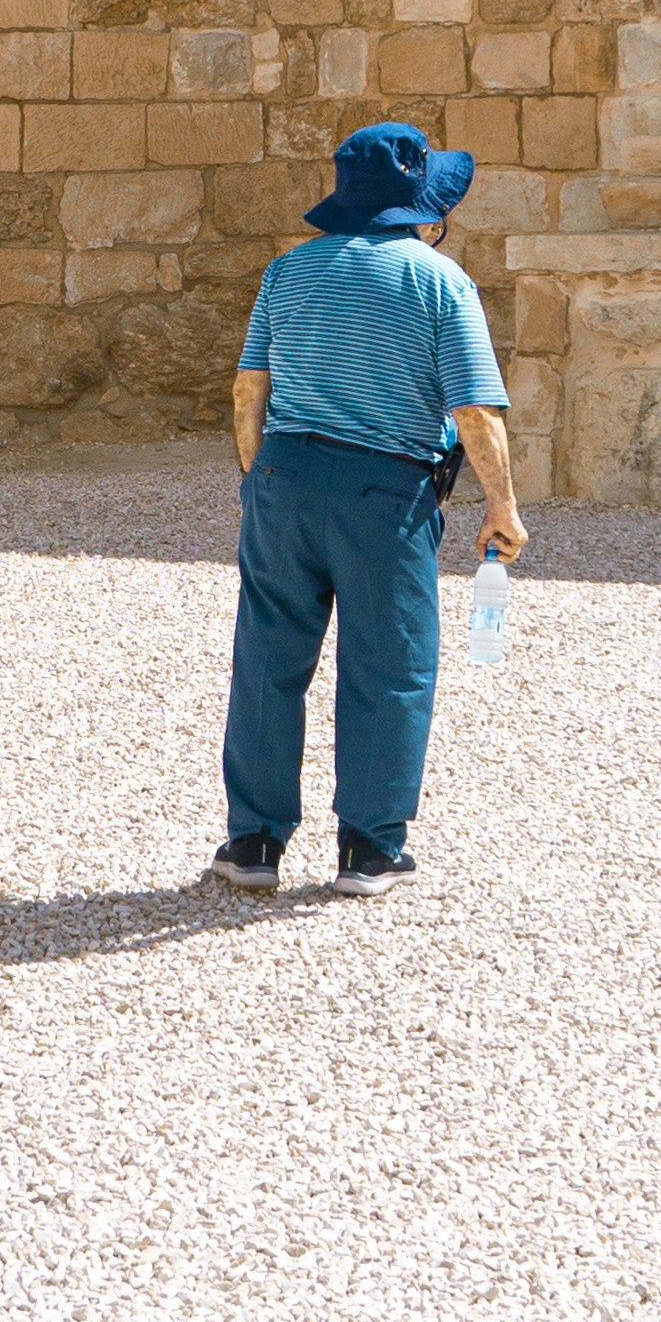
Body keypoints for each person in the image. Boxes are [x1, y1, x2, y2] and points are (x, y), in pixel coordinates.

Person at [210, 121, 527, 898]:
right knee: (390, 662)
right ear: (424, 207)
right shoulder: (441, 283)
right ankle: (369, 847)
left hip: (285, 475)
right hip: (384, 489)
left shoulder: (285, 272)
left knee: (268, 657)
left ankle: (252, 841)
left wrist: (259, 481)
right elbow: (477, 412)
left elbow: (249, 389)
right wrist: (502, 505)